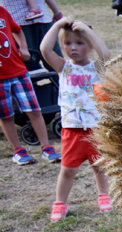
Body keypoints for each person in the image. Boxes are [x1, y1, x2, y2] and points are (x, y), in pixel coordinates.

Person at [40, 17, 111, 222]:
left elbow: (106, 54)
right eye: (68, 43)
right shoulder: (63, 68)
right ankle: (60, 203)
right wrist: (56, 25)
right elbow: (45, 50)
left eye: (79, 43)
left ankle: (103, 195)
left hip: (95, 127)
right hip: (72, 129)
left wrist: (87, 32)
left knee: (99, 165)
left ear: (89, 45)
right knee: (68, 169)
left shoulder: (96, 68)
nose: (73, 48)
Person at [0, 4, 61, 165]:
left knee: (33, 110)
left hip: (18, 72)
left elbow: (17, 30)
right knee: (6, 115)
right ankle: (18, 151)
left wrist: (23, 48)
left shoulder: (3, 12)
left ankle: (47, 148)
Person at [3, 0, 63, 70]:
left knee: (55, 62)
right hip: (20, 22)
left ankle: (62, 80)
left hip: (34, 19)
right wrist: (57, 14)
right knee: (29, 64)